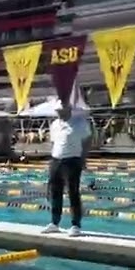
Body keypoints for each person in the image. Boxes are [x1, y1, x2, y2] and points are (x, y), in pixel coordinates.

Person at [42, 102, 92, 237]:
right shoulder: (54, 125)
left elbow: (87, 141)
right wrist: (51, 160)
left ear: (68, 110)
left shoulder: (79, 123)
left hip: (72, 160)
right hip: (56, 160)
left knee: (73, 193)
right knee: (55, 192)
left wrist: (83, 158)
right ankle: (54, 223)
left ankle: (76, 225)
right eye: (57, 111)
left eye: (60, 110)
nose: (58, 113)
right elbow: (53, 143)